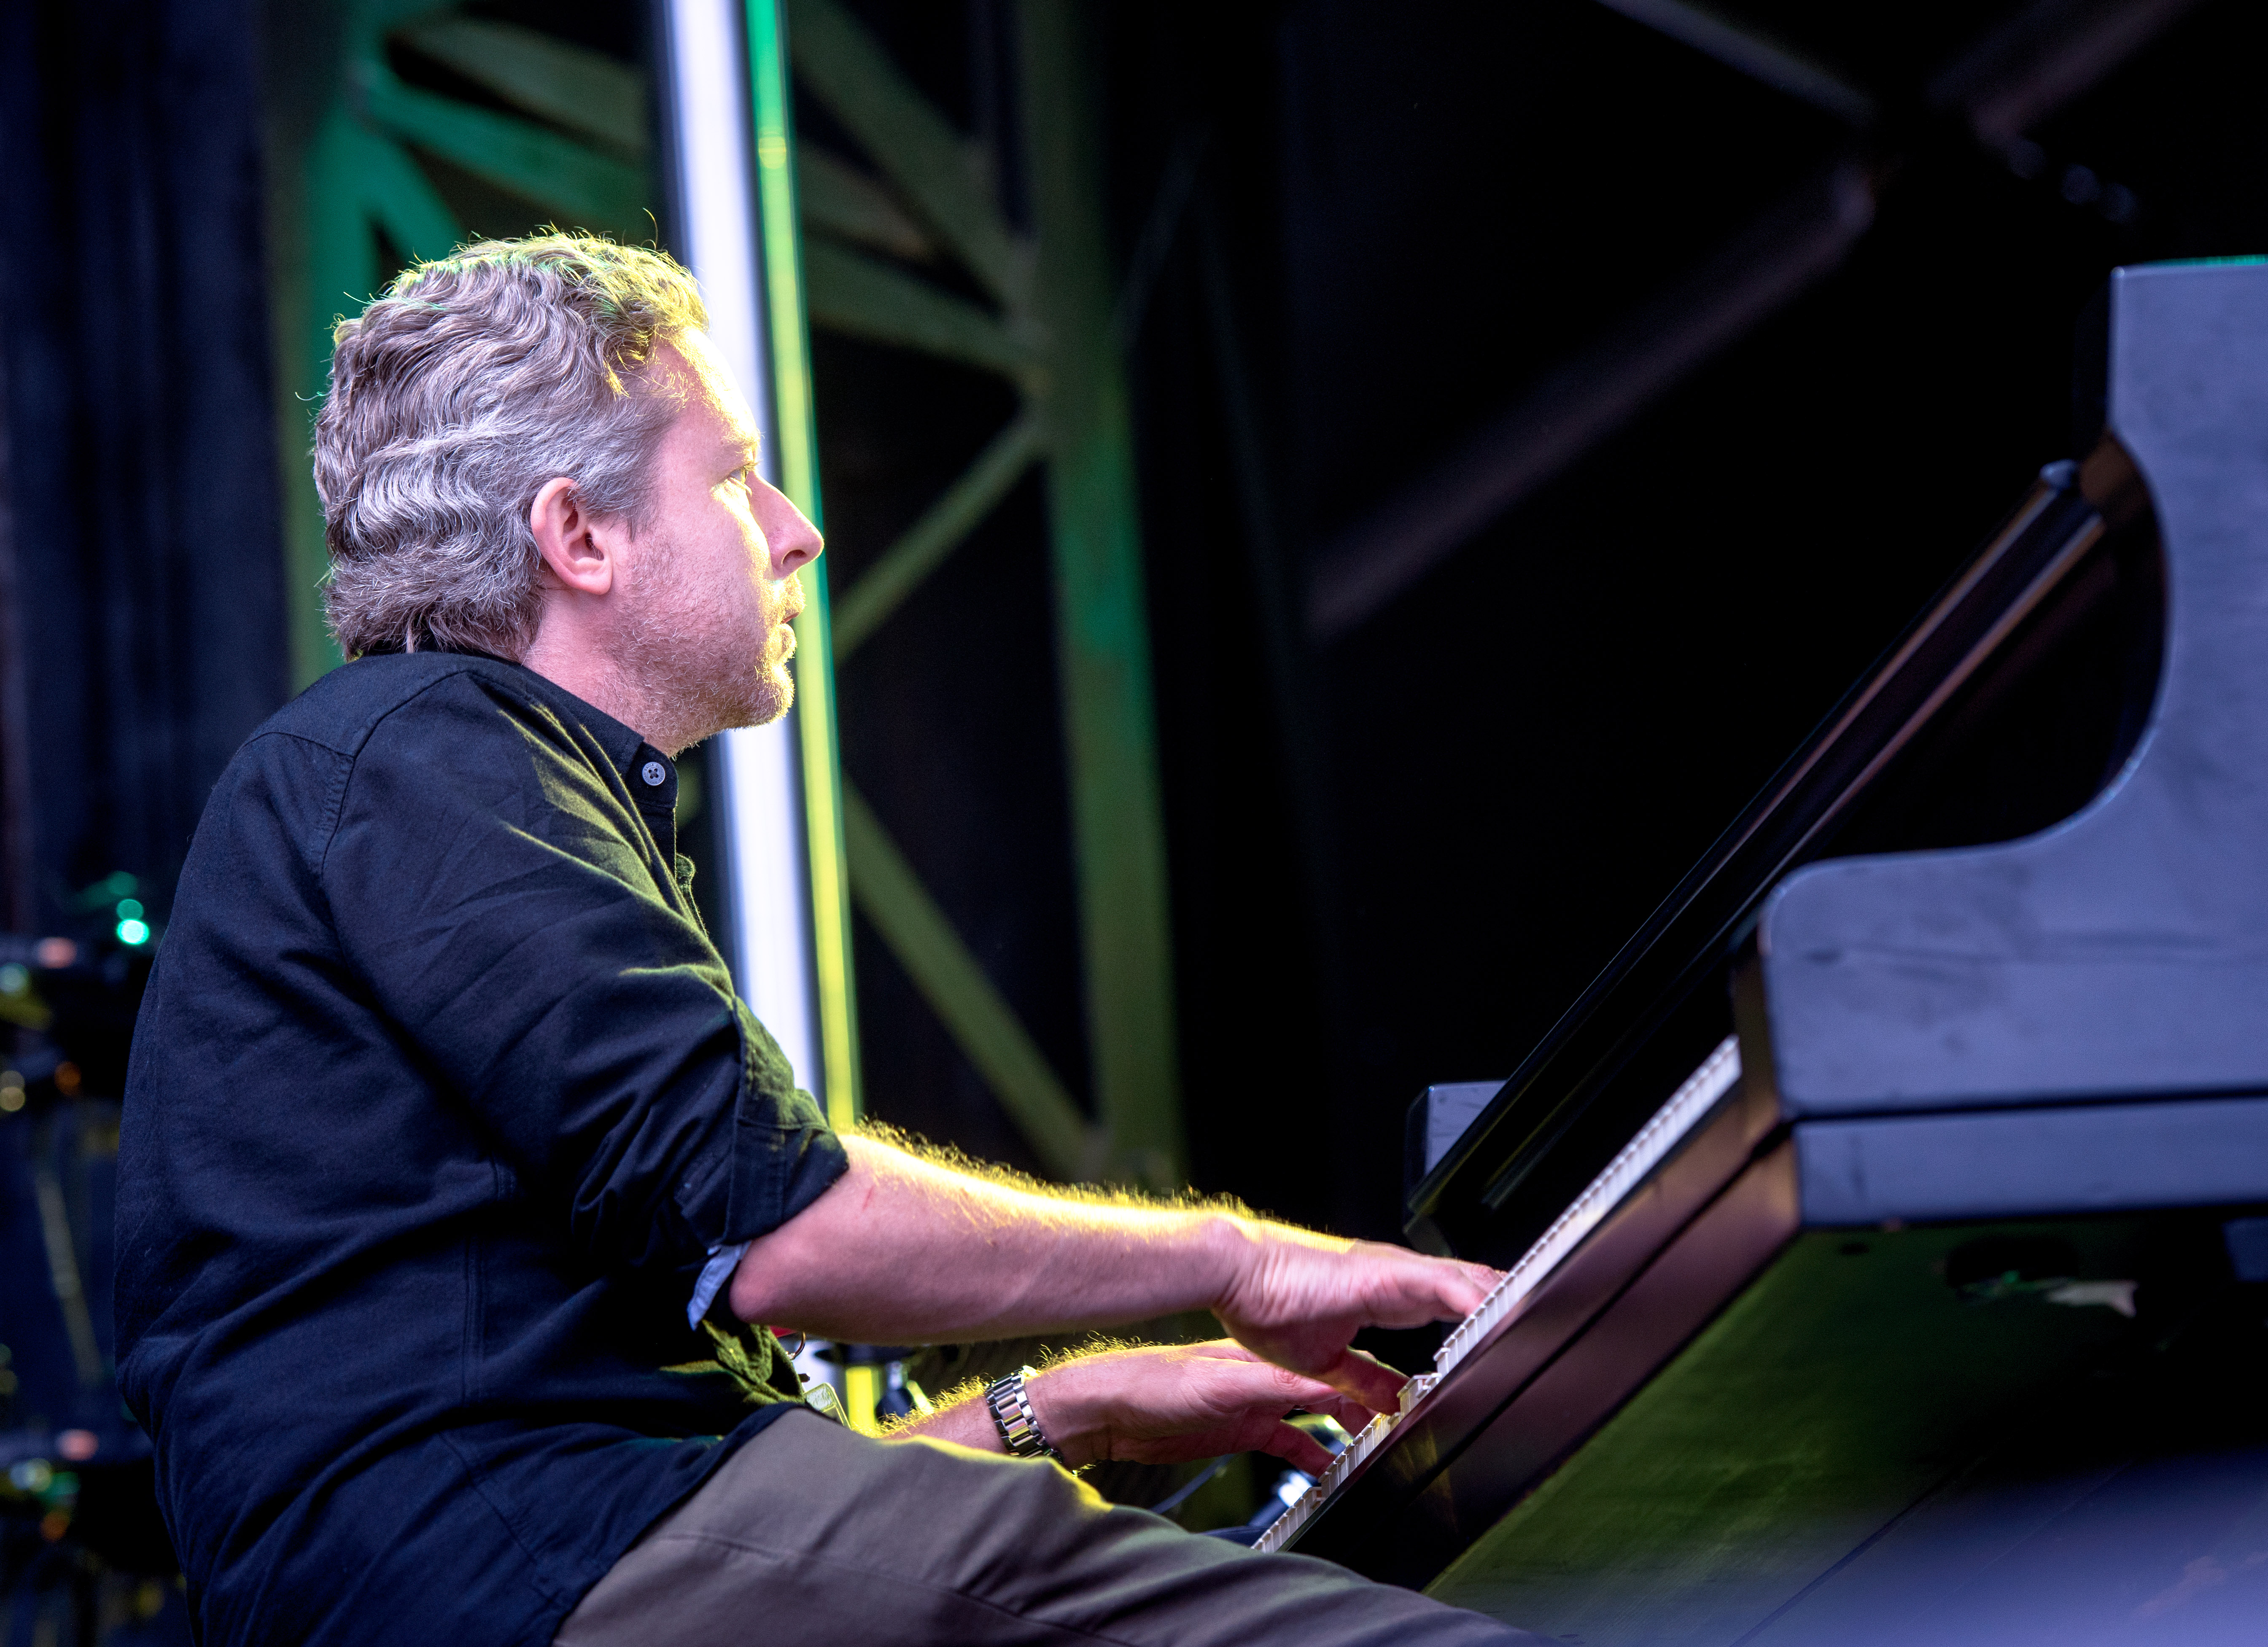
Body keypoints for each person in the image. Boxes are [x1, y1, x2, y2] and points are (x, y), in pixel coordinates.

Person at [114, 235, 1545, 1647]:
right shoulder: (426, 751)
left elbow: (706, 1471)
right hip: (533, 1549)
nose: (796, 529)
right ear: (580, 536)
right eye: (737, 477)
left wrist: (1073, 1405)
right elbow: (782, 1235)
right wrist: (1238, 1260)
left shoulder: (409, 787)